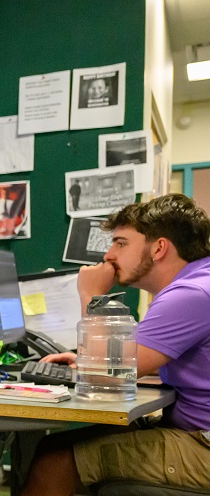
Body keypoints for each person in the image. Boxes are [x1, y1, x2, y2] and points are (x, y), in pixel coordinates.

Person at [23, 194, 210, 494]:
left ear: (159, 248)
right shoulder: (198, 283)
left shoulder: (190, 294)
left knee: (54, 462)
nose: (109, 255)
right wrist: (84, 358)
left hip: (203, 446)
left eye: (121, 243)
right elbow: (134, 360)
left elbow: (109, 373)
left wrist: (91, 295)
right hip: (196, 433)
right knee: (53, 444)